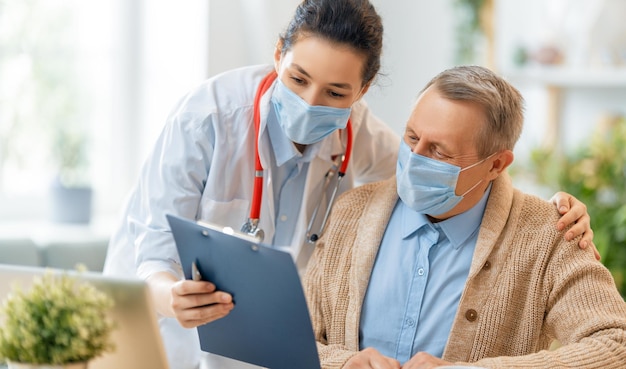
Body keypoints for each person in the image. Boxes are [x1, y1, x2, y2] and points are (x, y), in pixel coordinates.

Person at [103, 1, 595, 368]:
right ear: (278, 54)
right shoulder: (207, 117)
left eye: (336, 92)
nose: (311, 100)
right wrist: (173, 297)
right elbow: (152, 254)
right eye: (297, 78)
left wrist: (550, 211)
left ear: (362, 90)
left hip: (262, 347)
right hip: (158, 325)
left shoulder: (367, 138)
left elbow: (455, 176)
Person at [302, 65, 626, 369]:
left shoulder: (551, 235)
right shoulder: (350, 213)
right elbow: (292, 336)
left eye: (439, 151)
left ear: (496, 165)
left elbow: (615, 344)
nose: (414, 158)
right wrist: (341, 362)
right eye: (412, 137)